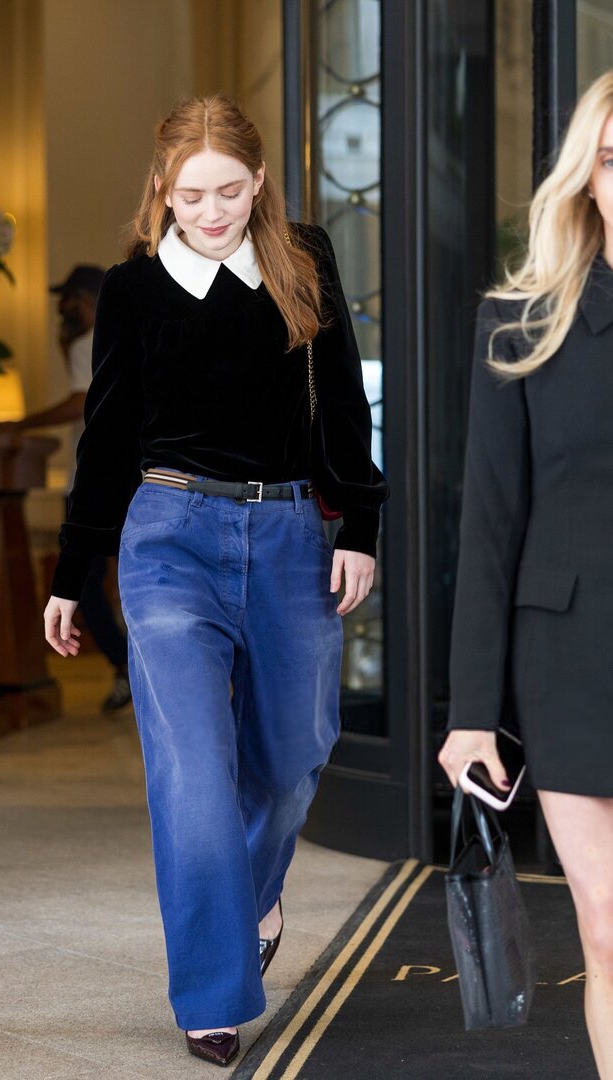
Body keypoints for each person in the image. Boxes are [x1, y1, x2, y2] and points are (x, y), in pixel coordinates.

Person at [44, 94, 388, 1066]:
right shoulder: (133, 288)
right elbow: (107, 435)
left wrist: (358, 523)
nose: (209, 211)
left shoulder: (301, 260)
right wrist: (72, 570)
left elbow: (342, 408)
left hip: (289, 535)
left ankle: (250, 895)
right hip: (168, 538)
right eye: (190, 195)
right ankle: (213, 992)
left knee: (295, 752)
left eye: (229, 191)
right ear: (162, 188)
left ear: (259, 181)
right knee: (192, 772)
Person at [439, 70, 613, 1078]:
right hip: (571, 660)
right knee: (606, 927)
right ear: (587, 176)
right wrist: (471, 713)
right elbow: (490, 526)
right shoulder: (521, 320)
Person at [0, 265, 132, 712]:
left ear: (86, 300)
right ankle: (134, 666)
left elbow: (81, 401)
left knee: (86, 585)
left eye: (69, 298)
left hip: (90, 484)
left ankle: (124, 665)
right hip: (138, 479)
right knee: (130, 581)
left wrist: (21, 423)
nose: (63, 307)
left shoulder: (85, 343)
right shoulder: (127, 335)